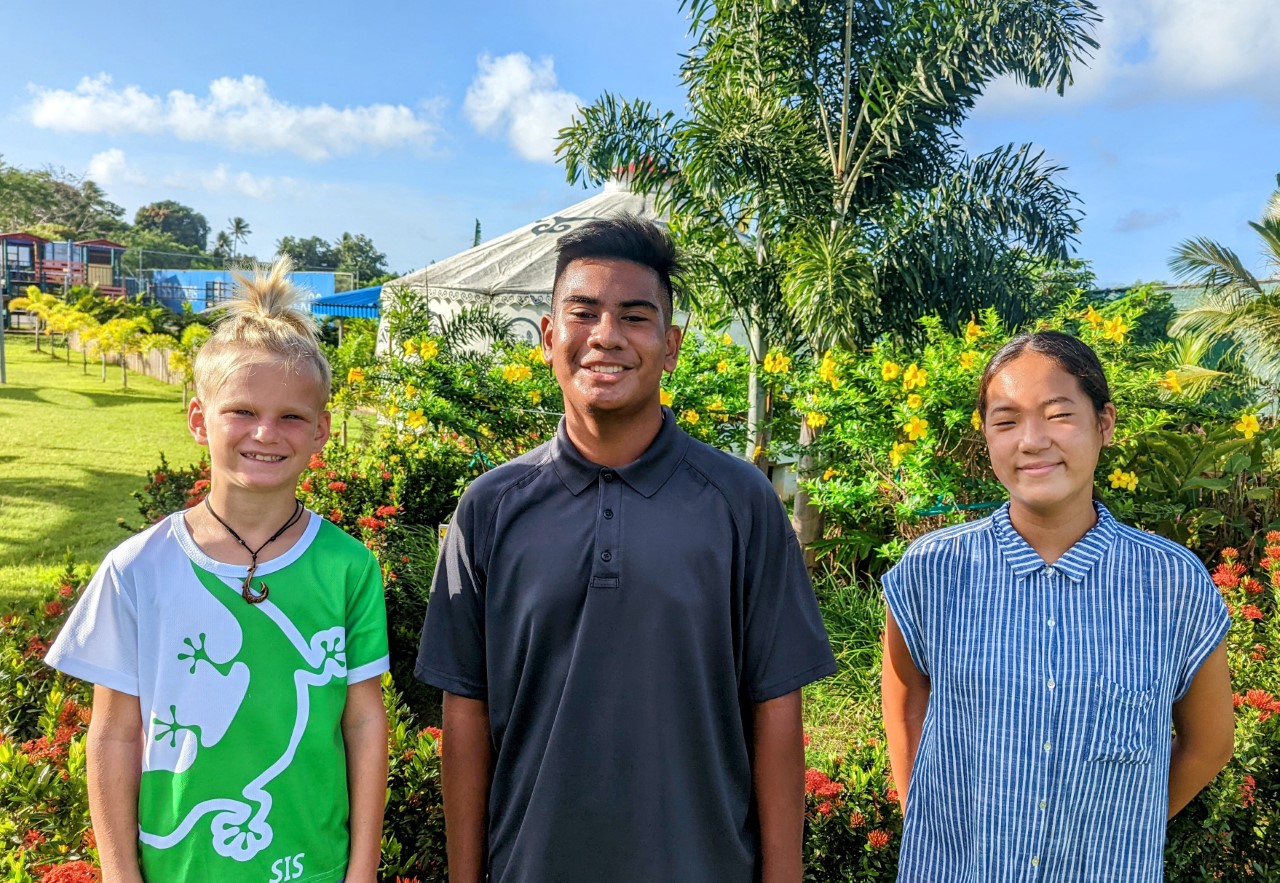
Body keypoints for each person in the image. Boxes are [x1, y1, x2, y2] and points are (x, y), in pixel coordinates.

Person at [415, 214, 837, 883]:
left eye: (635, 317)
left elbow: (776, 707)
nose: (607, 336)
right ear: (550, 336)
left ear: (670, 345)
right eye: (584, 312)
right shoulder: (491, 506)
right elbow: (466, 708)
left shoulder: (740, 501)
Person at [45, 259, 389, 883]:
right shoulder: (136, 569)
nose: (265, 432)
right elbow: (115, 735)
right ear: (201, 421)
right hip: (177, 868)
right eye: (241, 411)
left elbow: (363, 720)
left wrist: (361, 870)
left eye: (291, 416)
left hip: (311, 867)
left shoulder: (349, 568)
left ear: (321, 432)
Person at [881, 330, 1234, 881]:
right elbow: (906, 702)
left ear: (1105, 424)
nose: (1032, 440)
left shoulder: (1171, 583)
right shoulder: (934, 570)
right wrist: (927, 818)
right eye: (1006, 421)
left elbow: (1209, 743)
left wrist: (1126, 826)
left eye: (1058, 414)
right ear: (987, 439)